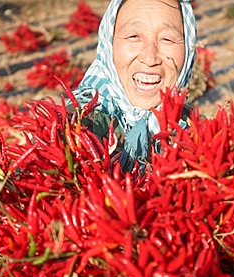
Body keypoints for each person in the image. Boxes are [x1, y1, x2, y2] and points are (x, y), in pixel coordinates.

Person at [73, 0, 197, 170]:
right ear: (109, 45)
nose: (149, 58)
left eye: (167, 39)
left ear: (189, 50)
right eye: (133, 36)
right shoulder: (74, 125)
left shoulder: (198, 134)